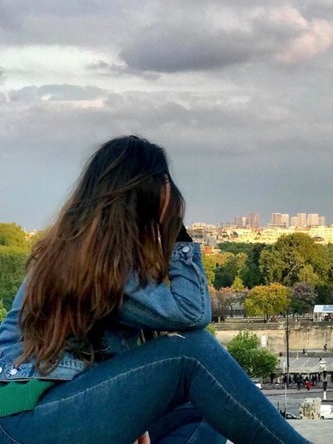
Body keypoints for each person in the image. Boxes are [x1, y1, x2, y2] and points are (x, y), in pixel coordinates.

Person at [0, 136, 310, 444]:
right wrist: (178, 233)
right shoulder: (93, 266)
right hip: (24, 416)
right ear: (142, 204)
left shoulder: (86, 256)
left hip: (48, 410)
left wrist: (132, 416)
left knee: (214, 400)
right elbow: (191, 314)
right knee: (193, 353)